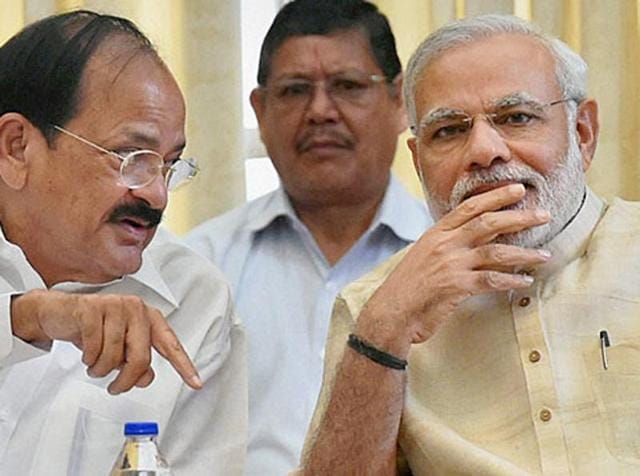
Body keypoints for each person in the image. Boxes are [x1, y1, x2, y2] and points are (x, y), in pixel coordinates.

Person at [300, 13, 640, 475]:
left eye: (516, 117)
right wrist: (385, 328)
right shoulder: (376, 306)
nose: (484, 150)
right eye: (449, 130)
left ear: (583, 133)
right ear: (418, 164)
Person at [185, 0, 433, 473]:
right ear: (260, 109)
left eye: (347, 86)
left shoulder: (447, 265)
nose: (320, 111)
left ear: (400, 102)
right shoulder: (202, 266)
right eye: (295, 90)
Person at [0, 10, 246, 475]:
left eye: (169, 165)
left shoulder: (194, 302)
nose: (156, 194)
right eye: (131, 157)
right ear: (16, 147)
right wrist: (31, 317)